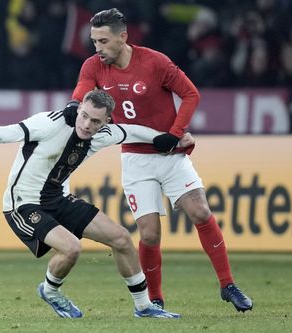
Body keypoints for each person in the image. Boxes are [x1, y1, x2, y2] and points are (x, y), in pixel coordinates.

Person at [0, 90, 195, 319]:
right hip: (23, 203)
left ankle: (144, 306)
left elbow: (132, 131)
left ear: (106, 122)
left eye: (96, 121)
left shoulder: (104, 134)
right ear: (79, 109)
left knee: (122, 239)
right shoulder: (48, 124)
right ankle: (50, 291)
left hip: (58, 198)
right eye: (85, 115)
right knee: (71, 249)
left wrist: (172, 137)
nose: (87, 124)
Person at [63, 8, 253, 312]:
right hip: (136, 160)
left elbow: (191, 95)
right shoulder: (93, 66)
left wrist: (176, 133)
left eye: (102, 41)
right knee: (150, 233)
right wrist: (74, 105)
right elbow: (82, 90)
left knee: (201, 212)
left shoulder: (155, 62)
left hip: (170, 154)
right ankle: (154, 301)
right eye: (94, 41)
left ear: (122, 37)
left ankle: (228, 285)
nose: (97, 48)